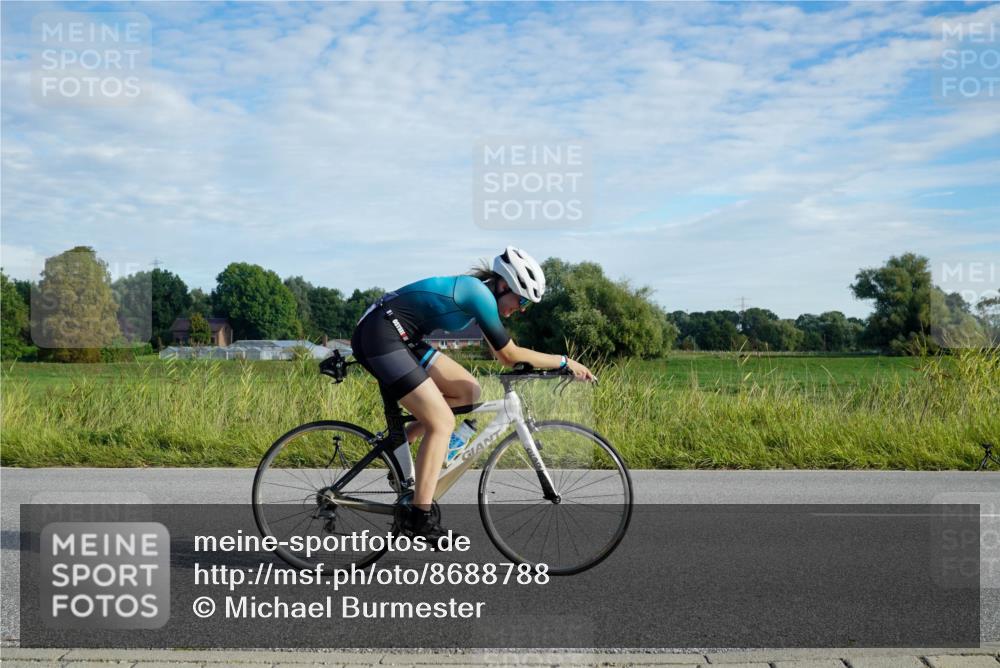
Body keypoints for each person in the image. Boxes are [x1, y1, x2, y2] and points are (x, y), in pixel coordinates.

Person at [349, 246, 596, 545]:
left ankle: (399, 441)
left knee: (468, 391)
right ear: (504, 285)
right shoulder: (476, 293)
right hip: (382, 334)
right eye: (521, 300)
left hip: (401, 336)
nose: (522, 309)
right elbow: (509, 355)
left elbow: (505, 354)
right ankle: (420, 518)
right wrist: (564, 362)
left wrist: (543, 367)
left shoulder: (482, 299)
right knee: (441, 422)